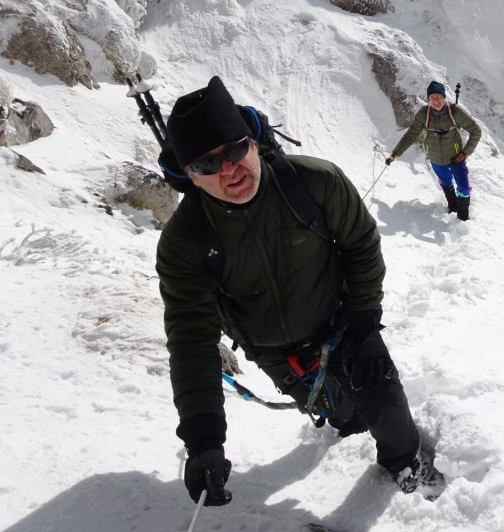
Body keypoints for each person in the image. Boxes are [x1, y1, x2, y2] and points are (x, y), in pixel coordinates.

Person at [155, 76, 441, 508]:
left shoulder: (314, 183)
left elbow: (361, 244)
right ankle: (347, 427)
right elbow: (191, 336)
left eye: (234, 150)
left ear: (253, 142)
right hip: (274, 350)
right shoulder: (185, 242)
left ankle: (406, 463)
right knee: (340, 412)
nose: (229, 169)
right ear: (189, 178)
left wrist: (362, 322)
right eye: (207, 165)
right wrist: (203, 439)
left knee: (383, 400)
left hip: (342, 321)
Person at [385, 81, 482, 220]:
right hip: (436, 158)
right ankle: (453, 206)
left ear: (444, 97)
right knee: (446, 183)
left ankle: (463, 219)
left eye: (438, 97)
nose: (436, 101)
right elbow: (411, 135)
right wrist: (395, 154)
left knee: (464, 188)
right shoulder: (423, 114)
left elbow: (476, 131)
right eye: (432, 98)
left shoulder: (455, 112)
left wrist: (465, 153)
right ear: (428, 99)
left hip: (456, 157)